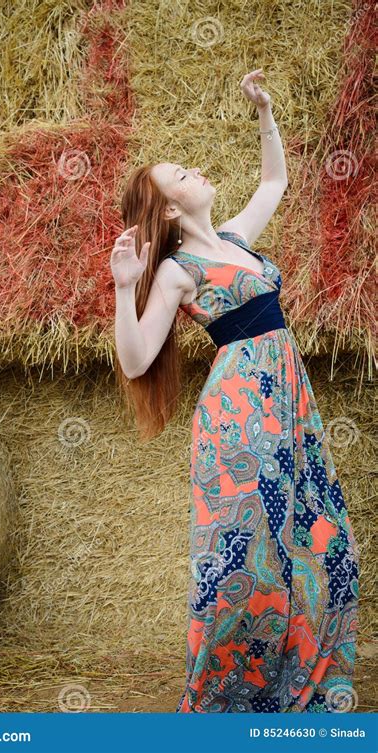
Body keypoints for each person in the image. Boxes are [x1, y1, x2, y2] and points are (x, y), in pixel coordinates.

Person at [110, 69, 359, 713]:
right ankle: (225, 699)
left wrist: (266, 112)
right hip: (240, 411)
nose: (195, 173)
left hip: (288, 400)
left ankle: (294, 685)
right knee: (244, 552)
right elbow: (137, 362)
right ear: (169, 209)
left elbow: (273, 180)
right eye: (181, 176)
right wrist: (121, 285)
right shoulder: (175, 270)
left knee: (319, 536)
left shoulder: (236, 241)